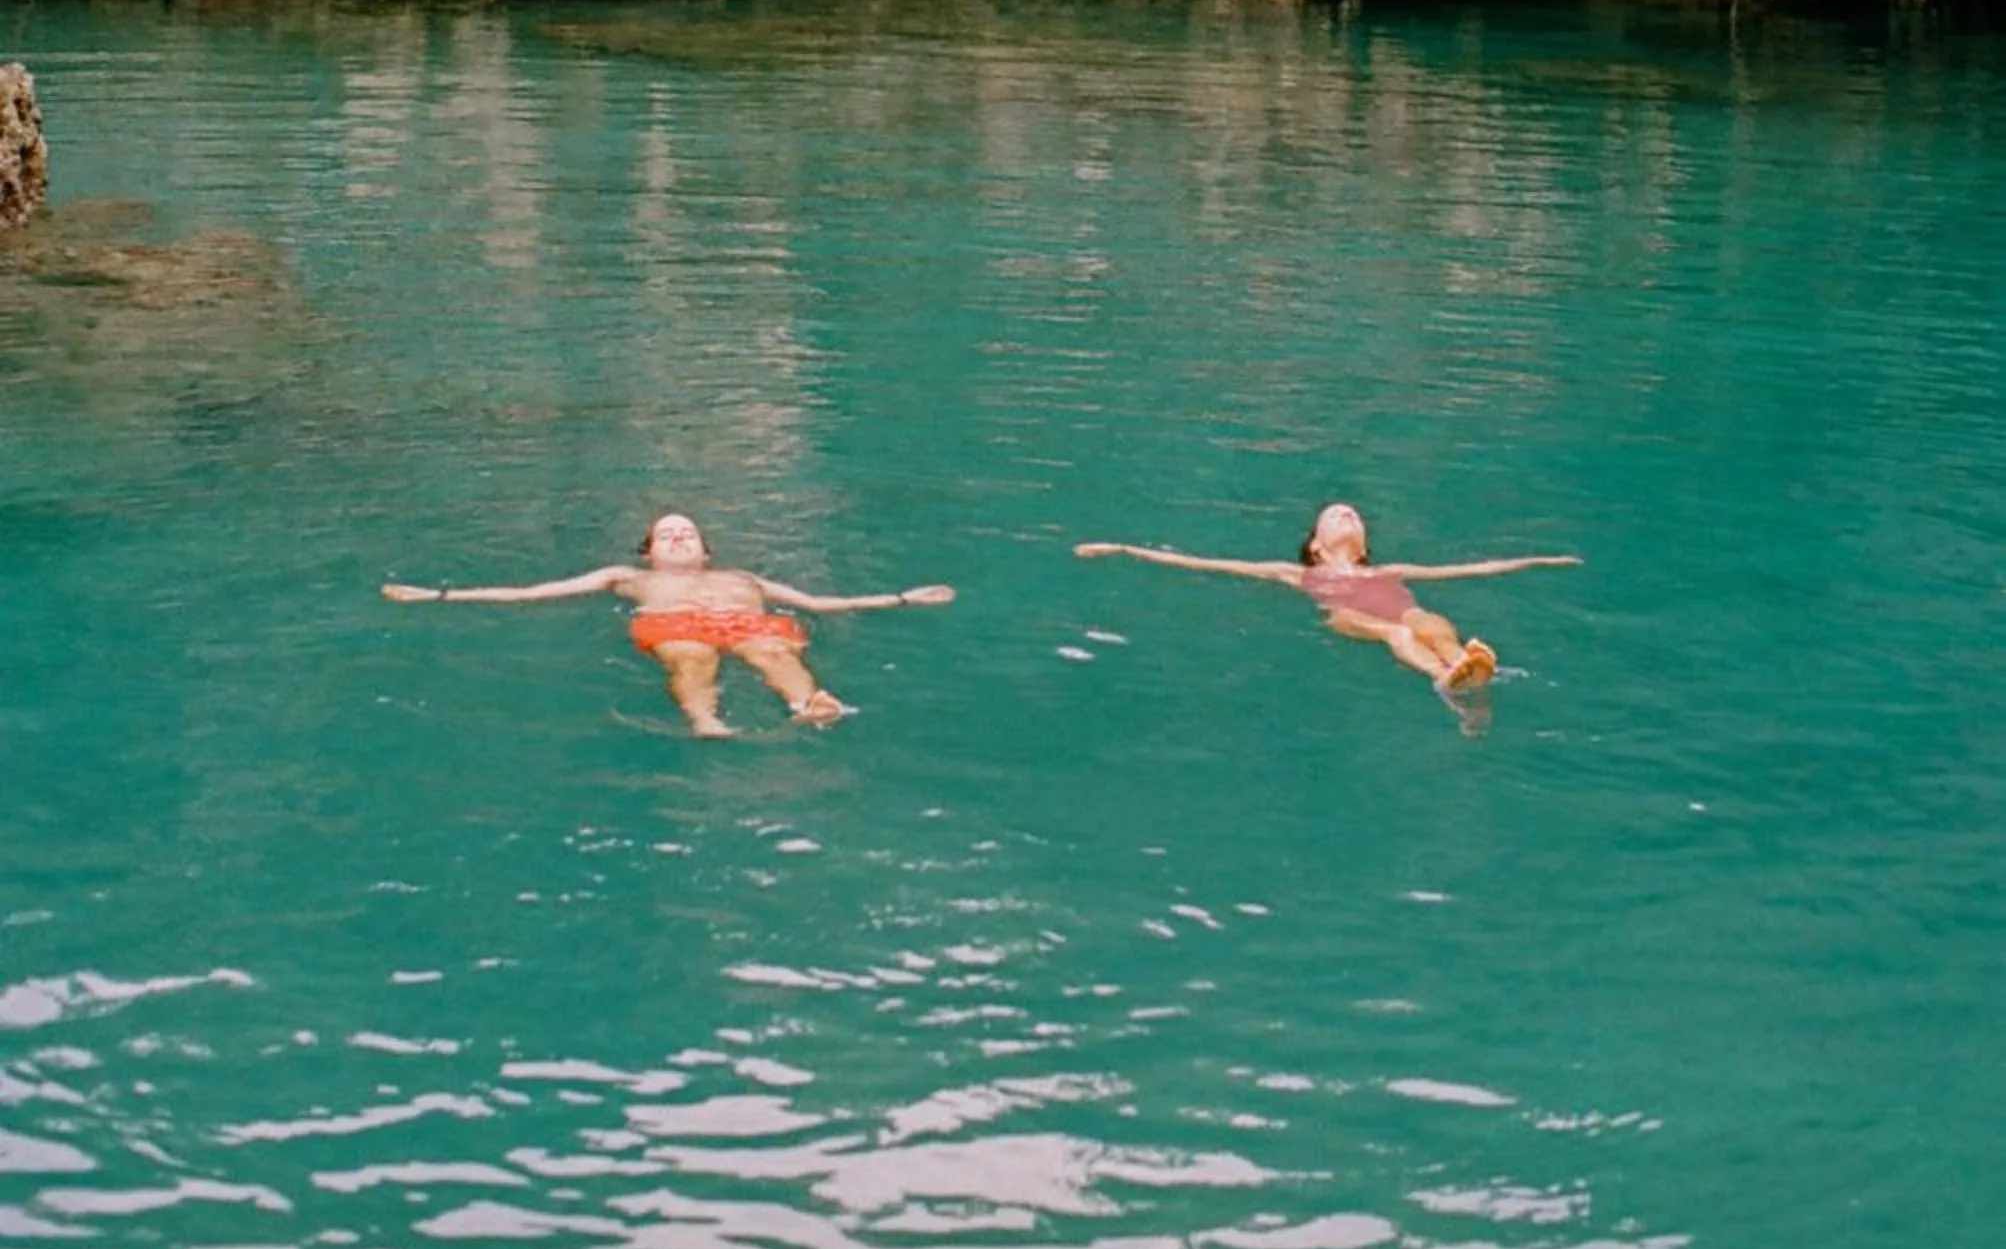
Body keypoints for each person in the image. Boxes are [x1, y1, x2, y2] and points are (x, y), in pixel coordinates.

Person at [385, 511, 953, 739]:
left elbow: (826, 603)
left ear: (706, 550)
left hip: (745, 621)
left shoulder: (747, 578)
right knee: (690, 655)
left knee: (775, 651)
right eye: (666, 533)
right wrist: (438, 594)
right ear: (649, 550)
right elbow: (529, 593)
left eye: (687, 532)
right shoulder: (622, 577)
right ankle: (706, 720)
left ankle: (810, 706)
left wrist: (904, 598)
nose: (678, 537)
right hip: (673, 622)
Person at [1076, 500, 1580, 707]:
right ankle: (1442, 678)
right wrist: (1123, 548)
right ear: (1316, 545)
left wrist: (1542, 559)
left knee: (1428, 618)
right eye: (1336, 515)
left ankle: (1461, 667)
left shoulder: (1389, 572)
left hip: (1399, 607)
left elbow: (1472, 569)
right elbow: (1205, 563)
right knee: (1396, 631)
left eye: (1353, 516)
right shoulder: (1297, 573)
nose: (1348, 515)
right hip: (1349, 617)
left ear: (1362, 546)